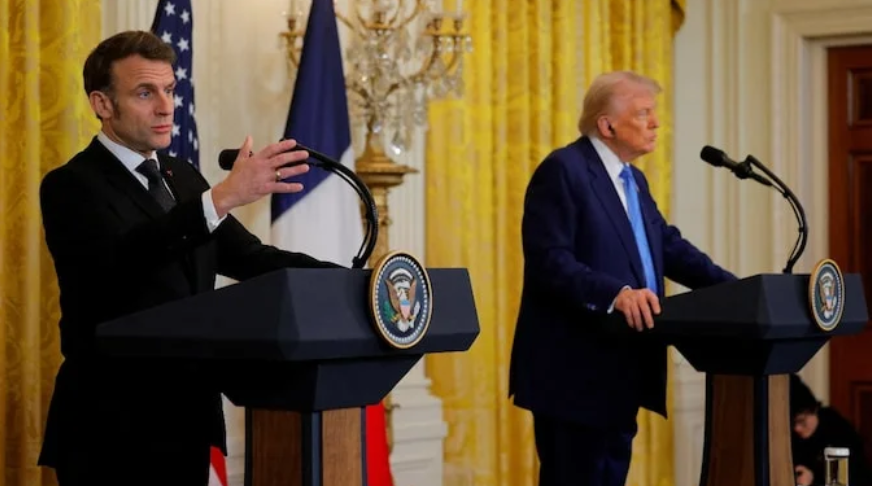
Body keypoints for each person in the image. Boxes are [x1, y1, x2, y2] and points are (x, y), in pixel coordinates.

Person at [37, 30, 339, 485]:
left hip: (186, 419)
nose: (166, 107)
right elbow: (123, 260)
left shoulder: (182, 177)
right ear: (102, 104)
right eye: (145, 93)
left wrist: (350, 280)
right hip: (109, 429)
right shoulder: (71, 185)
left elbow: (252, 258)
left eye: (170, 89)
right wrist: (222, 198)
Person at [507, 71, 736, 486]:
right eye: (644, 113)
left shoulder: (633, 180)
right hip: (574, 372)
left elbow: (667, 247)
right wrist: (616, 293)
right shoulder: (564, 170)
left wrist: (737, 290)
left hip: (623, 365)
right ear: (607, 125)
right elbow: (548, 260)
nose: (656, 123)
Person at [791, 374, 872, 486]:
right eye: (792, 424)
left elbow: (843, 481)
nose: (797, 428)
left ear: (813, 410)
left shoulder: (836, 431)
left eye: (802, 421)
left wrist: (813, 480)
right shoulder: (792, 437)